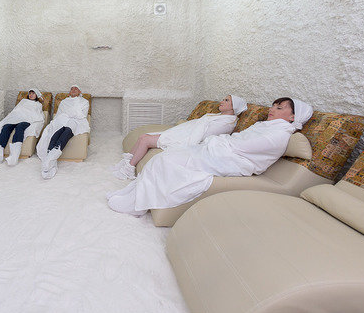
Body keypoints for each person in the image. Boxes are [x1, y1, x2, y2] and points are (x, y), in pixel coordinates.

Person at [106, 97, 313, 216]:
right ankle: (135, 198)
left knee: (166, 161)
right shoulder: (265, 126)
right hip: (222, 151)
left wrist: (218, 142)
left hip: (230, 160)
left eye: (279, 107)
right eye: (274, 105)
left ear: (293, 116)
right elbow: (238, 141)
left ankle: (138, 205)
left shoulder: (279, 135)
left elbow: (242, 147)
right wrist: (219, 142)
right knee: (164, 158)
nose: (272, 109)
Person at [111, 95, 247, 180]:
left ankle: (129, 169)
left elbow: (205, 136)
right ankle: (126, 163)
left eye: (226, 100)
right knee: (143, 137)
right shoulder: (219, 116)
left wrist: (186, 140)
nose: (222, 101)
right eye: (223, 99)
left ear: (233, 107)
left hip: (186, 139)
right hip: (184, 132)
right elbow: (198, 125)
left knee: (145, 139)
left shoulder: (227, 124)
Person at [36, 85, 90, 179]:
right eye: (71, 89)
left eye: (76, 89)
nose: (73, 90)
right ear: (69, 92)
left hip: (76, 121)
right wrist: (67, 115)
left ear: (79, 92)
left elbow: (82, 114)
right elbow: (60, 114)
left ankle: (50, 158)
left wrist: (70, 113)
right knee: (55, 134)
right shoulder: (64, 102)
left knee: (67, 130)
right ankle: (51, 160)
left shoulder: (84, 102)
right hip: (62, 120)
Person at [0, 89, 45, 168]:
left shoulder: (38, 104)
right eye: (30, 93)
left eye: (33, 93)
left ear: (36, 95)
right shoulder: (23, 101)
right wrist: (16, 116)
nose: (31, 95)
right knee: (6, 127)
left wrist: (26, 116)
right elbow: (17, 110)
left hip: (27, 119)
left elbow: (36, 114)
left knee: (20, 127)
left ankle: (14, 155)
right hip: (16, 118)